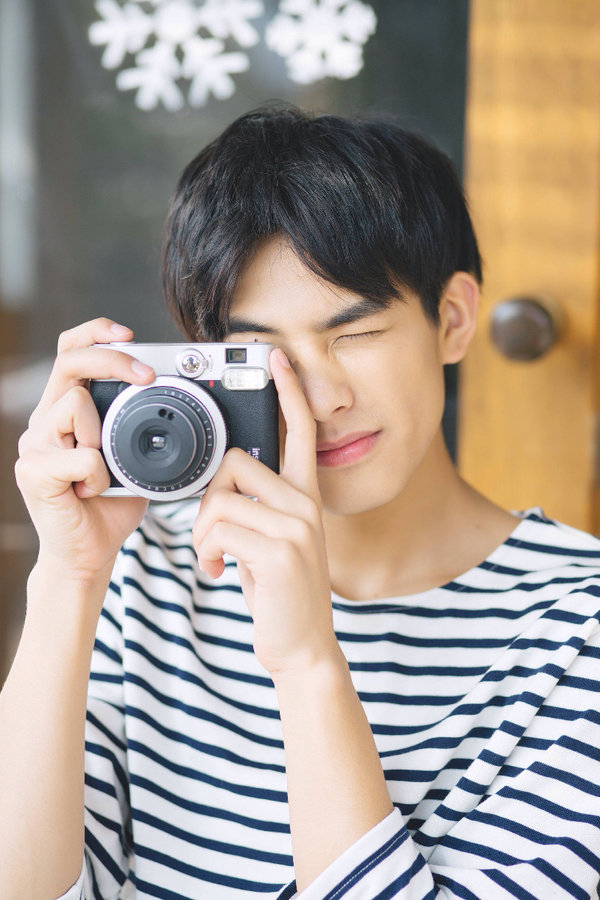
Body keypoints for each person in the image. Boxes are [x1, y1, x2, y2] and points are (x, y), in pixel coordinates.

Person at [4, 106, 600, 900]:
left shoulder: (577, 624)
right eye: (262, 353)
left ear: (452, 320)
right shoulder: (148, 568)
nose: (318, 400)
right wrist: (68, 579)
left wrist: (308, 664)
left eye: (355, 334)